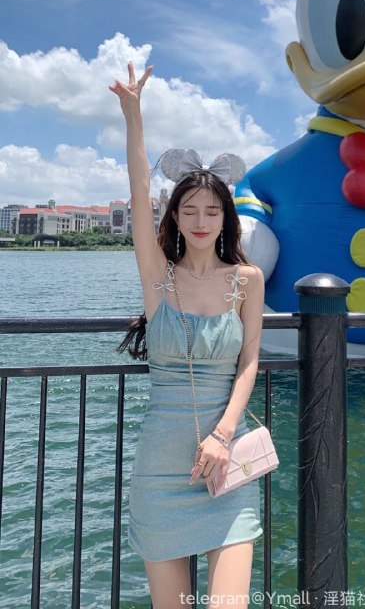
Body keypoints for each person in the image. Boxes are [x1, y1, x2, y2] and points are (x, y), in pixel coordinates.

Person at [109, 62, 264, 609]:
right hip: (161, 471)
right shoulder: (159, 278)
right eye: (190, 210)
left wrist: (223, 433)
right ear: (175, 216)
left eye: (212, 211)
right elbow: (139, 190)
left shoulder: (247, 280)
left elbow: (249, 360)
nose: (201, 220)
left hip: (227, 465)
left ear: (226, 219)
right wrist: (134, 115)